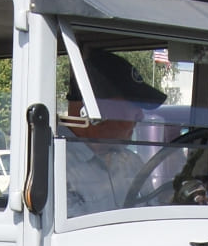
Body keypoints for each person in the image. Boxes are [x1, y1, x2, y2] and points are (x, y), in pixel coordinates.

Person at [61, 53, 167, 215]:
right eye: (133, 104)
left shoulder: (131, 163)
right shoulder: (52, 165)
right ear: (95, 108)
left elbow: (154, 217)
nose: (140, 115)